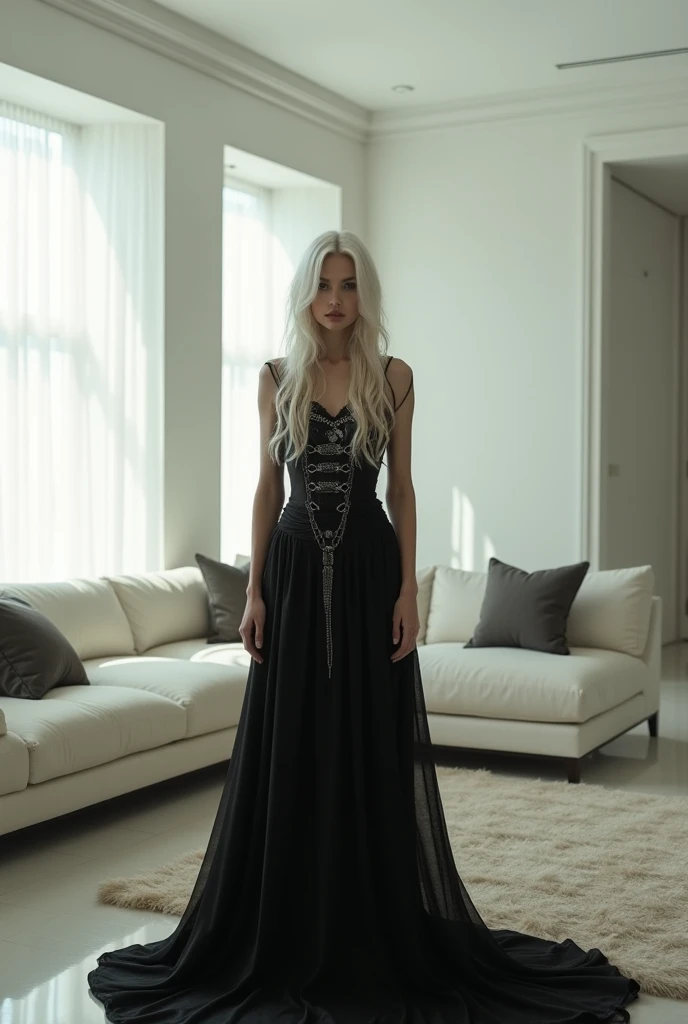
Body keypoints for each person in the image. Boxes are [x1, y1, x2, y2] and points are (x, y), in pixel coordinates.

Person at [87, 231, 640, 1024]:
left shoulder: (395, 376)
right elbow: (265, 485)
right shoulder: (276, 377)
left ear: (362, 293)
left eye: (348, 284)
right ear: (307, 294)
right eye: (324, 285)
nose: (337, 299)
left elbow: (406, 490)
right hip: (289, 571)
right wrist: (253, 591)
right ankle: (286, 920)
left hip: (372, 574)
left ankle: (367, 915)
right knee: (294, 742)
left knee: (369, 740)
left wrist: (409, 593)